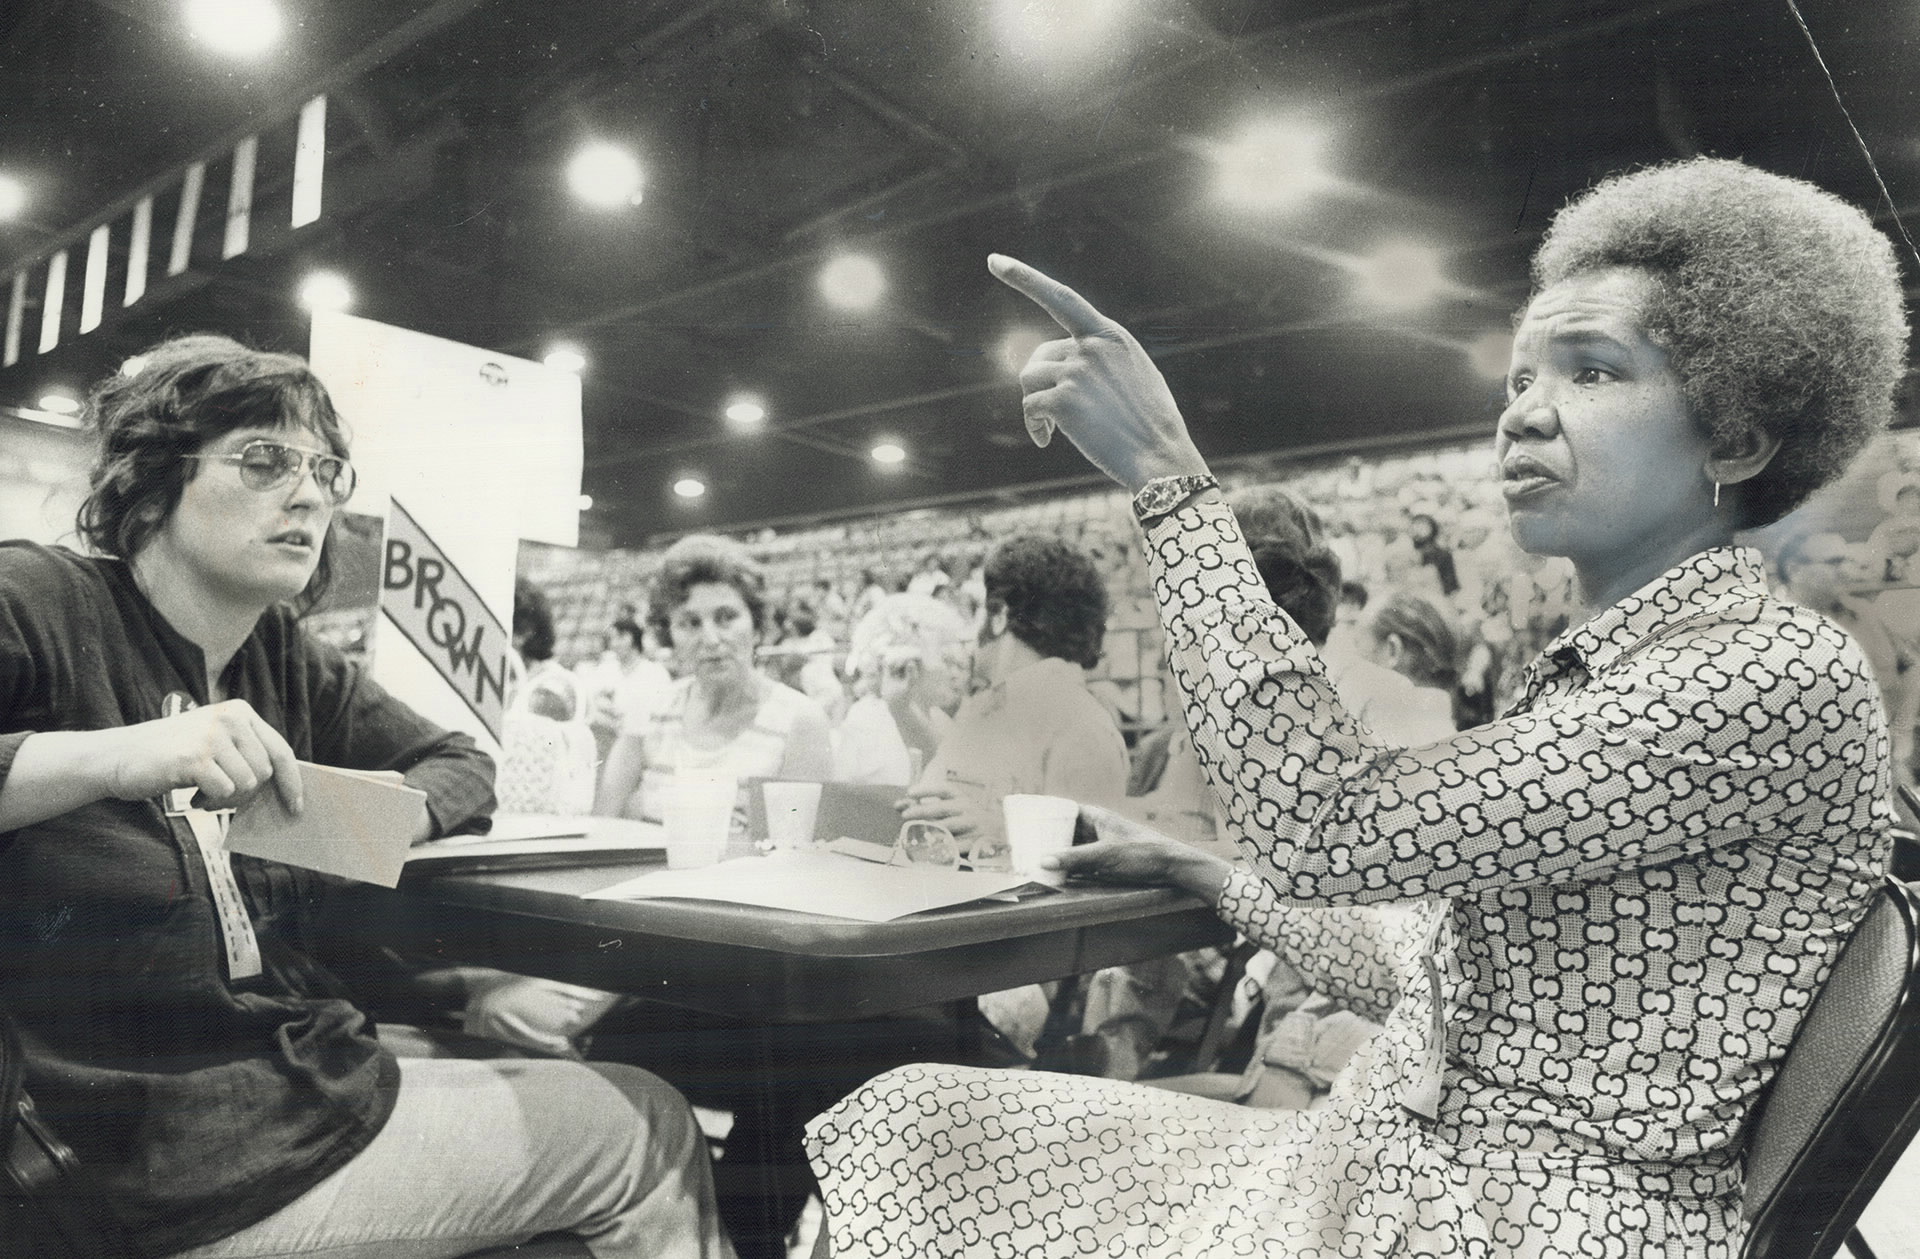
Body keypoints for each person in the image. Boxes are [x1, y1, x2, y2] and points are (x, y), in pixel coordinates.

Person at [806, 156, 1904, 1258]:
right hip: (1387, 1168)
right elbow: (1423, 973)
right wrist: (1203, 871)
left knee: (932, 1150)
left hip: (1499, 1220)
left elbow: (1333, 822)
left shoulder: (1766, 673)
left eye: (1594, 371)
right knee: (923, 1121)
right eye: (1519, 377)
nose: (1523, 414)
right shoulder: (1620, 666)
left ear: (1739, 437)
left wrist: (1166, 476)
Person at [0, 334, 732, 1259]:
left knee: (556, 1070)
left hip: (280, 1078)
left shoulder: (278, 655)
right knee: (648, 1125)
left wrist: (337, 826)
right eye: (264, 460)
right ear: (150, 485)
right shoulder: (37, 597)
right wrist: (115, 756)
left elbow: (462, 763)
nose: (309, 493)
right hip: (149, 1159)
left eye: (325, 469)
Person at [592, 534, 832, 822]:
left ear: (756, 627)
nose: (710, 639)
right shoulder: (648, 713)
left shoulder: (800, 721)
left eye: (726, 617)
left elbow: (803, 853)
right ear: (670, 634)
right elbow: (603, 825)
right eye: (690, 623)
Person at [832, 591, 972, 786]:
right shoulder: (869, 722)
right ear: (909, 664)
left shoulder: (937, 719)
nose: (954, 674)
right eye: (947, 660)